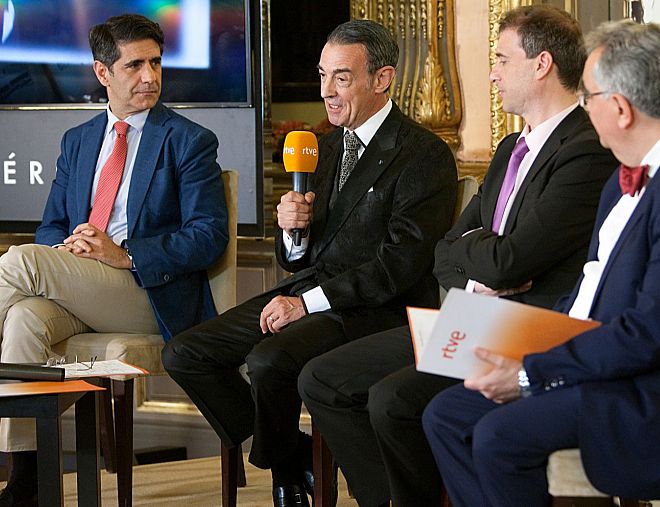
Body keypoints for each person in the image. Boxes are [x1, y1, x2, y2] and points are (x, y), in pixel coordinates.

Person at [423, 20, 660, 506]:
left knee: (500, 437)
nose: (583, 108)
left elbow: (650, 335)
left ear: (621, 109)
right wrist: (519, 343)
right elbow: (592, 290)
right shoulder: (630, 171)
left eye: (588, 97)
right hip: (608, 363)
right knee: (446, 416)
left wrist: (529, 372)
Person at [297, 6, 617, 507]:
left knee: (392, 400)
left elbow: (509, 262)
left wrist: (483, 256)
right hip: (473, 317)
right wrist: (480, 260)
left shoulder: (585, 149)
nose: (492, 73)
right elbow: (444, 251)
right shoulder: (510, 147)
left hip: (525, 328)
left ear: (542, 65)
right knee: (321, 378)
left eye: (501, 59)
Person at [161, 19, 458, 507]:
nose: (326, 92)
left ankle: (289, 473)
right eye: (322, 76)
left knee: (268, 360)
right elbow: (297, 258)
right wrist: (292, 231)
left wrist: (308, 304)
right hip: (313, 291)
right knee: (186, 354)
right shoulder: (324, 146)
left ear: (382, 79)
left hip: (379, 309)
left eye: (341, 77)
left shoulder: (423, 154)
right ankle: (294, 455)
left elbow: (398, 267)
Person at [0, 13, 229, 507]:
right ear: (103, 72)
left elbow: (208, 236)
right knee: (24, 319)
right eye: (135, 65)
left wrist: (125, 254)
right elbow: (52, 225)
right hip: (85, 287)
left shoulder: (188, 139)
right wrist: (65, 251)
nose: (150, 76)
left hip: (149, 294)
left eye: (156, 63)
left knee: (20, 262)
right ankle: (27, 484)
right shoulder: (77, 140)